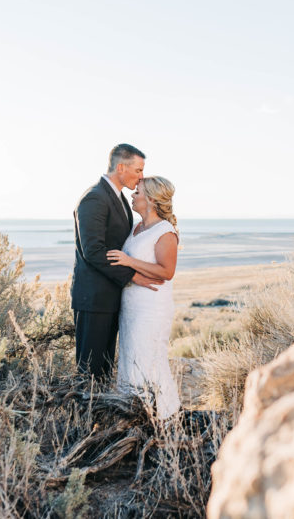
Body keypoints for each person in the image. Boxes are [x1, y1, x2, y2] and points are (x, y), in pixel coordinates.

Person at [70, 144, 162, 382]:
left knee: (103, 370)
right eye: (138, 170)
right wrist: (132, 276)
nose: (141, 177)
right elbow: (93, 251)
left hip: (110, 298)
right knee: (90, 373)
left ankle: (99, 417)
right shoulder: (94, 198)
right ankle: (84, 417)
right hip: (94, 299)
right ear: (121, 167)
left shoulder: (118, 198)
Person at [106, 175, 181, 418]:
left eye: (137, 192)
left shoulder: (165, 232)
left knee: (148, 361)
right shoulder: (136, 227)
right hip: (131, 307)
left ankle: (164, 418)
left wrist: (129, 261)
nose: (132, 195)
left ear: (150, 198)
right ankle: (134, 418)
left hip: (152, 308)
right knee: (130, 361)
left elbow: (167, 271)